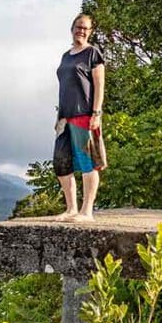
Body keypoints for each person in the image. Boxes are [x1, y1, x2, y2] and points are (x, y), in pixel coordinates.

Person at [53, 13, 106, 222]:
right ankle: (71, 208)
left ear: (90, 31)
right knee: (61, 162)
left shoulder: (92, 53)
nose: (81, 31)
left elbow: (99, 84)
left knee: (87, 163)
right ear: (72, 28)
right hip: (65, 116)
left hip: (84, 114)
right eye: (78, 27)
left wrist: (96, 113)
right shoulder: (66, 56)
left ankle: (87, 211)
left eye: (85, 28)